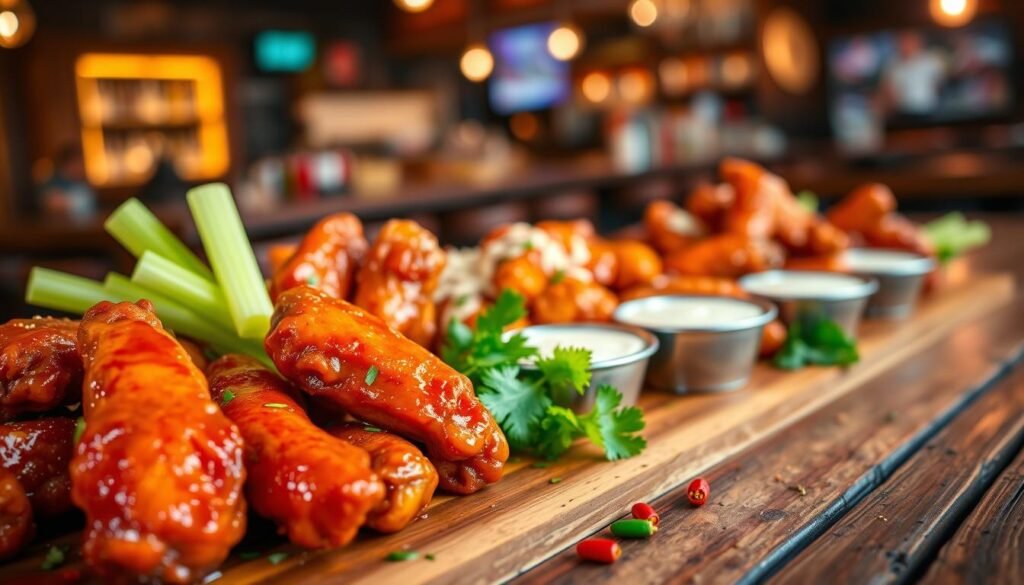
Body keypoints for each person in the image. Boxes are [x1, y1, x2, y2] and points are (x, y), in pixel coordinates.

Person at [882, 32, 947, 117]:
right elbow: (889, 89)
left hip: (929, 109)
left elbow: (940, 81)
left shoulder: (930, 60)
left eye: (908, 42)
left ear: (916, 42)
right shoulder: (893, 64)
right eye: (902, 42)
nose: (905, 45)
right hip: (903, 111)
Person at [37, 145, 97, 219]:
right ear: (66, 164)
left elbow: (89, 206)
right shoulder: (51, 184)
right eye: (78, 163)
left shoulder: (83, 184)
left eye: (82, 163)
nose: (81, 167)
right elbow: (51, 205)